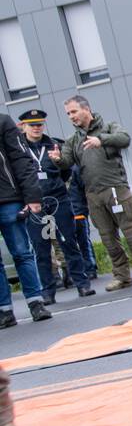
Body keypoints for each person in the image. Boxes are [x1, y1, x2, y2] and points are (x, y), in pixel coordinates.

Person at [54, 95, 132, 291]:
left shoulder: (109, 127)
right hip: (93, 195)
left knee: (131, 232)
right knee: (108, 238)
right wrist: (57, 159)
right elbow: (66, 162)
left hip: (117, 189)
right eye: (68, 114)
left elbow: (125, 139)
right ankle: (122, 276)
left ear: (86, 109)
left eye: (74, 111)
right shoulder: (72, 140)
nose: (71, 117)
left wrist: (101, 140)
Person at [15, 110, 94, 304]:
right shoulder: (17, 149)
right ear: (23, 126)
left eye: (39, 124)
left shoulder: (54, 144)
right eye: (32, 124)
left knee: (68, 242)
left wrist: (57, 164)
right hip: (34, 203)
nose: (36, 128)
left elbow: (67, 171)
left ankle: (82, 284)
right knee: (41, 247)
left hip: (58, 198)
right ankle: (48, 291)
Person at [0, 112, 50, 326]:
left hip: (8, 198)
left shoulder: (3, 122)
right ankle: (4, 311)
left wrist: (32, 196)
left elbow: (21, 159)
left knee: (22, 253)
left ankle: (36, 303)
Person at [68, 165, 97, 279]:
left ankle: (90, 268)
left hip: (78, 210)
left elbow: (86, 189)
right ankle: (74, 271)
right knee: (68, 244)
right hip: (63, 212)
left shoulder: (74, 168)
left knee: (84, 241)